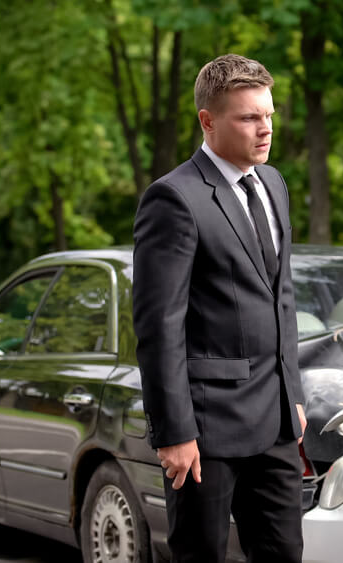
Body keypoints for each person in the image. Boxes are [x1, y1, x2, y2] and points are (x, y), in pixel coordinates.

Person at [132, 53, 306, 563]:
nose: (265, 128)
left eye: (269, 115)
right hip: (206, 430)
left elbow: (282, 296)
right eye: (249, 117)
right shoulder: (173, 199)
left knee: (284, 554)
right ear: (208, 121)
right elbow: (158, 327)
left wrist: (290, 389)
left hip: (276, 423)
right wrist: (175, 432)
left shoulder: (273, 184)